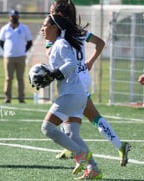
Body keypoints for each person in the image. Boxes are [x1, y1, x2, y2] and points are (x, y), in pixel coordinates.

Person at [48, 0, 131, 168]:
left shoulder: (61, 34)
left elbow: (52, 54)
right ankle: (72, 148)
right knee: (73, 119)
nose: (49, 17)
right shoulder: (78, 31)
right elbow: (100, 43)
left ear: (59, 15)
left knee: (92, 117)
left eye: (52, 13)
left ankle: (116, 146)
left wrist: (90, 61)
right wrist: (90, 61)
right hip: (81, 76)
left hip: (74, 80)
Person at [38, 14, 102, 180]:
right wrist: (46, 75)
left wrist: (55, 73)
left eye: (44, 25)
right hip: (77, 94)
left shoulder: (61, 43)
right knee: (72, 135)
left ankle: (81, 154)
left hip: (72, 94)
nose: (41, 29)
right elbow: (62, 68)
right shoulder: (57, 45)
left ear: (54, 27)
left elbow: (71, 63)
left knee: (47, 128)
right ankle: (93, 169)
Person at [0, 9, 33, 103]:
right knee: (8, 78)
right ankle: (7, 98)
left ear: (18, 17)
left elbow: (29, 42)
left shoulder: (24, 28)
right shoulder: (5, 28)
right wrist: (7, 51)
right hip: (8, 57)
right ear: (9, 17)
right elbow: (1, 42)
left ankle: (21, 98)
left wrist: (23, 51)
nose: (14, 18)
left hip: (21, 57)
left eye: (15, 16)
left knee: (20, 78)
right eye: (12, 16)